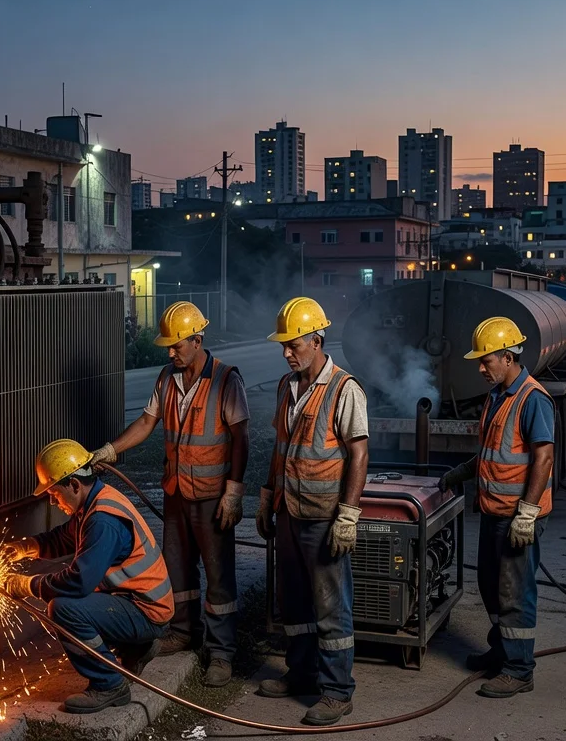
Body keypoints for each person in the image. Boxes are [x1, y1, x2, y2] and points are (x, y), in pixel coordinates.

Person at [87, 301, 249, 688]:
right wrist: (110, 450)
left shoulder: (227, 379)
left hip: (212, 496)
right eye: (169, 347)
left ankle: (222, 652)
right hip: (176, 493)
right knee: (178, 568)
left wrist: (234, 492)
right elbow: (147, 422)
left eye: (177, 346)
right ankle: (183, 631)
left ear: (197, 339)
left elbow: (241, 437)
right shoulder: (167, 377)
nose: (170, 352)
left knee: (219, 576)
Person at [254, 297, 369, 726]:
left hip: (323, 516)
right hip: (290, 511)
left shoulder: (344, 388)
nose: (286, 352)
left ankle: (338, 692)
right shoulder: (288, 386)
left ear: (317, 340)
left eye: (294, 344)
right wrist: (268, 498)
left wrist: (348, 515)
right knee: (295, 601)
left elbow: (359, 454)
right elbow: (281, 447)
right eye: (283, 345)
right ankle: (301, 673)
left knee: (330, 605)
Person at [2, 439, 174, 714]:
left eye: (54, 493)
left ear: (73, 485)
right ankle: (137, 648)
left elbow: (78, 582)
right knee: (80, 602)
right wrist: (28, 547)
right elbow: (65, 537)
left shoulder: (103, 521)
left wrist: (29, 585)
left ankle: (109, 685)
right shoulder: (95, 500)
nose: (52, 500)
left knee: (64, 608)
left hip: (146, 610)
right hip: (140, 601)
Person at [438, 317, 555, 699]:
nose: (481, 367)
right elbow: (491, 455)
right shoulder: (496, 398)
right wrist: (459, 475)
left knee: (514, 593)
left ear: (507, 357)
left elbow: (543, 457)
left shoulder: (532, 398)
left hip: (516, 518)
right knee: (491, 586)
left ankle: (519, 670)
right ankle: (502, 652)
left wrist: (527, 512)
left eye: (486, 360)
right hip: (493, 512)